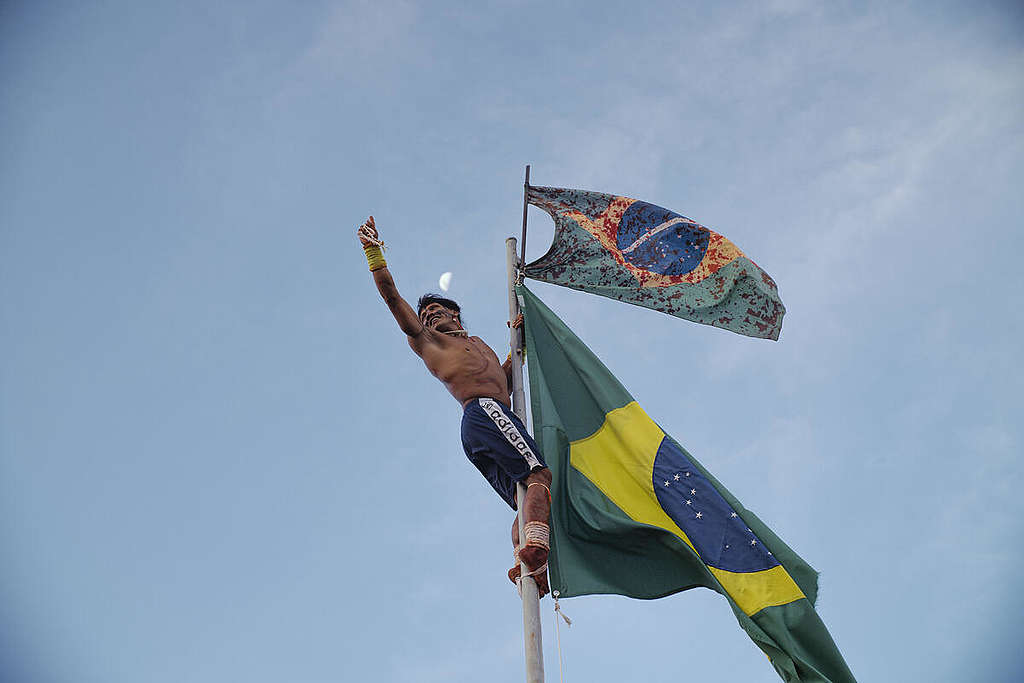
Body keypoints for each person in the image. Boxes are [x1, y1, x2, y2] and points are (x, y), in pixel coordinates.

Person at [357, 215, 552, 596]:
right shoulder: (429, 343)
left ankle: (526, 568)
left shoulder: (479, 344)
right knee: (539, 479)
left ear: (454, 314)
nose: (427, 316)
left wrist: (522, 339)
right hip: (481, 413)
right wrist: (373, 253)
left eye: (434, 311)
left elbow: (506, 379)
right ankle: (537, 551)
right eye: (424, 314)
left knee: (524, 497)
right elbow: (393, 299)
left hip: (494, 416)